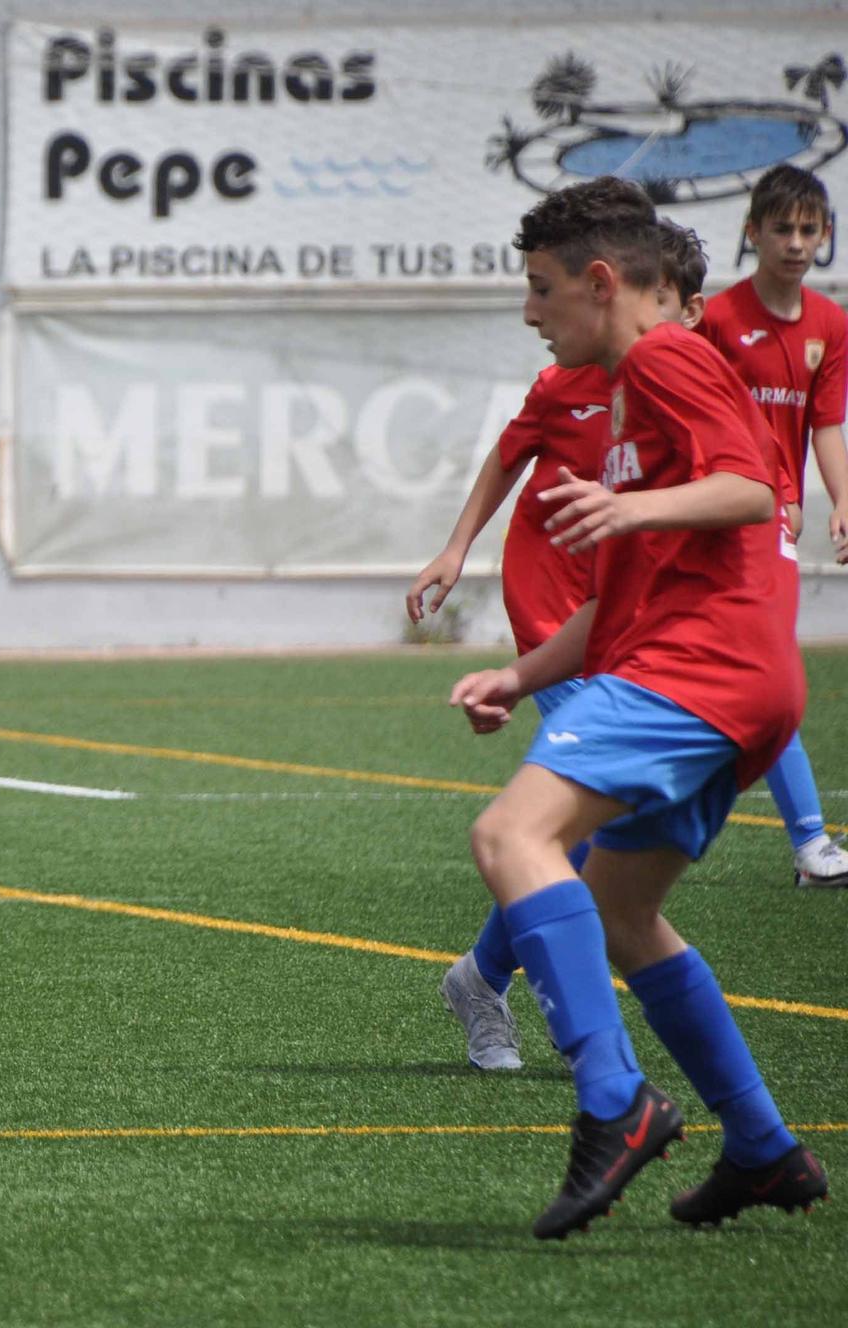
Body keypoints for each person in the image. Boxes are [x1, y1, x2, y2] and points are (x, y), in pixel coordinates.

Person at [449, 178, 827, 1238]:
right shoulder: (625, 390)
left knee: (508, 833)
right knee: (619, 909)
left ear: (599, 282)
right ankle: (760, 1146)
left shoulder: (661, 357)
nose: (530, 312)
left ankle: (613, 1100)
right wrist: (516, 677)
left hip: (697, 668)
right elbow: (624, 593)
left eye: (539, 290)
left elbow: (749, 488)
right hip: (733, 678)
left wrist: (630, 503)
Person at [413, 221, 707, 1072]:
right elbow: (508, 460)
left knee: (586, 830)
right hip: (553, 607)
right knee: (568, 823)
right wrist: (455, 549)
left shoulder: (675, 389)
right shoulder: (566, 383)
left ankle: (482, 976)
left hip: (626, 616)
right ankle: (587, 1048)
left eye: (687, 312)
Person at [696, 164, 848, 888]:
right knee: (756, 672)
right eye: (780, 227)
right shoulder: (717, 320)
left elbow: (825, 425)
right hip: (715, 514)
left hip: (773, 522)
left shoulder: (831, 324)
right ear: (751, 231)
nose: (795, 242)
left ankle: (811, 842)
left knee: (765, 669)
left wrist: (839, 499)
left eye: (808, 229)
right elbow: (704, 420)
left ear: (824, 237)